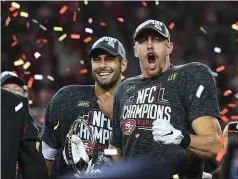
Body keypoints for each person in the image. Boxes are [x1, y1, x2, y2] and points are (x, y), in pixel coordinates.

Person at [109, 19, 222, 178]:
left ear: (169, 47)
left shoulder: (189, 76)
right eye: (143, 41)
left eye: (156, 40)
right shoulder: (124, 89)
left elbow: (216, 147)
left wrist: (180, 137)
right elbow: (114, 147)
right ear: (135, 51)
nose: (149, 45)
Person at [40, 36, 128, 178]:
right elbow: (46, 157)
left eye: (110, 59)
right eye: (97, 59)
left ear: (123, 65)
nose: (102, 65)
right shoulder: (66, 98)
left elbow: (138, 161)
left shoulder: (135, 104)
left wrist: (115, 115)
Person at [1, 88, 48, 179]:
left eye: (16, 88)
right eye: (8, 87)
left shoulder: (17, 103)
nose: (12, 90)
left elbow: (32, 161)